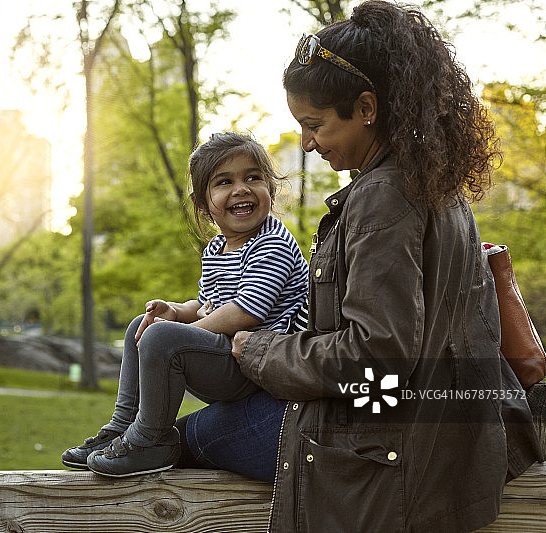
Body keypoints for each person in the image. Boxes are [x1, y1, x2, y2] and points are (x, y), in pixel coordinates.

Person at [178, 1, 543, 531]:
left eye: (314, 125)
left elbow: (377, 355)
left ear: (366, 107)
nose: (305, 142)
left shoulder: (382, 199)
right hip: (434, 433)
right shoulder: (431, 183)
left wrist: (262, 350)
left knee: (184, 437)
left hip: (388, 446)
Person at [60, 131, 309, 478]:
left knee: (161, 337)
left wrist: (177, 332)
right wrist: (175, 312)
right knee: (141, 326)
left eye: (253, 177)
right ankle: (122, 427)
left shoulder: (273, 242)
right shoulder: (217, 249)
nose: (241, 189)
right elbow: (209, 304)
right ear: (203, 205)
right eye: (224, 182)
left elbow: (246, 310)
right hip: (231, 355)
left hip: (260, 362)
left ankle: (151, 440)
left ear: (270, 187)